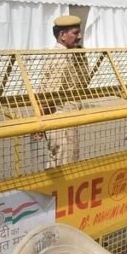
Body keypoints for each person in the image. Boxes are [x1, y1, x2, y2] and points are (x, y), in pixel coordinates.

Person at [38, 15, 90, 168]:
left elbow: (83, 83)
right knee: (63, 165)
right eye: (75, 33)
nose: (79, 37)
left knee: (67, 160)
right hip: (61, 119)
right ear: (62, 36)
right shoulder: (60, 58)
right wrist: (40, 121)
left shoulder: (73, 54)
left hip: (69, 117)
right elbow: (50, 95)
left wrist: (81, 57)